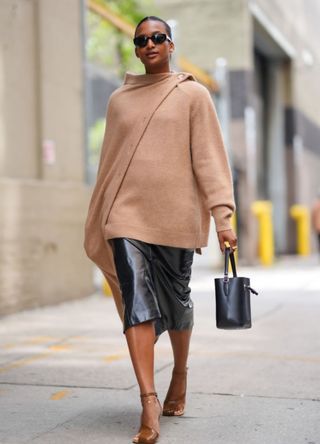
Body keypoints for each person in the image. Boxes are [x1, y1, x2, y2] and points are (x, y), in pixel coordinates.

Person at [84, 16, 237, 444]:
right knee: (137, 302)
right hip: (125, 217)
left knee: (178, 303)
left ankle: (181, 373)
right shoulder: (119, 100)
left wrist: (223, 218)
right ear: (135, 49)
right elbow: (108, 165)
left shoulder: (193, 94)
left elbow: (209, 159)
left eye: (157, 37)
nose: (149, 44)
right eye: (141, 40)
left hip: (175, 218)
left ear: (171, 45)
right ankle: (148, 399)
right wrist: (101, 216)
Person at [311, 190, 320, 254]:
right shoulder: (316, 205)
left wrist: (313, 226)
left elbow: (313, 216)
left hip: (318, 227)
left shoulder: (315, 204)